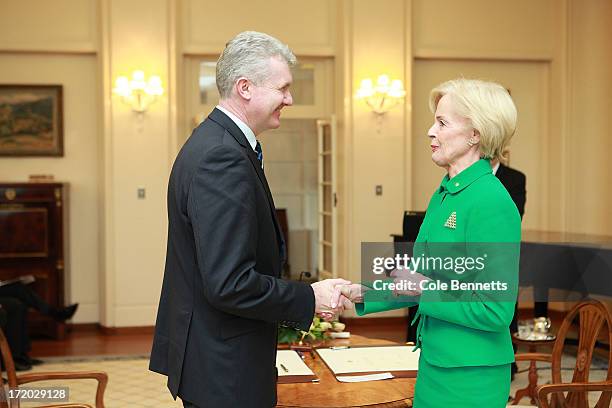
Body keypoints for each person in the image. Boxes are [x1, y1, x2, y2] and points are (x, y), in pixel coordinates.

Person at [149, 31, 350, 408]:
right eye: (283, 88)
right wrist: (309, 296)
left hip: (218, 357)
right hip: (225, 368)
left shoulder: (219, 144)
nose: (289, 99)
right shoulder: (221, 157)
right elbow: (229, 283)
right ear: (245, 87)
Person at [342, 78, 521, 407]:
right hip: (435, 363)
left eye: (441, 122)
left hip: (470, 376)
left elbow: (495, 310)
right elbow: (421, 279)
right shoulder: (446, 194)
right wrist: (361, 294)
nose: (430, 131)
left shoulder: (491, 201)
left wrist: (424, 288)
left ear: (475, 134)